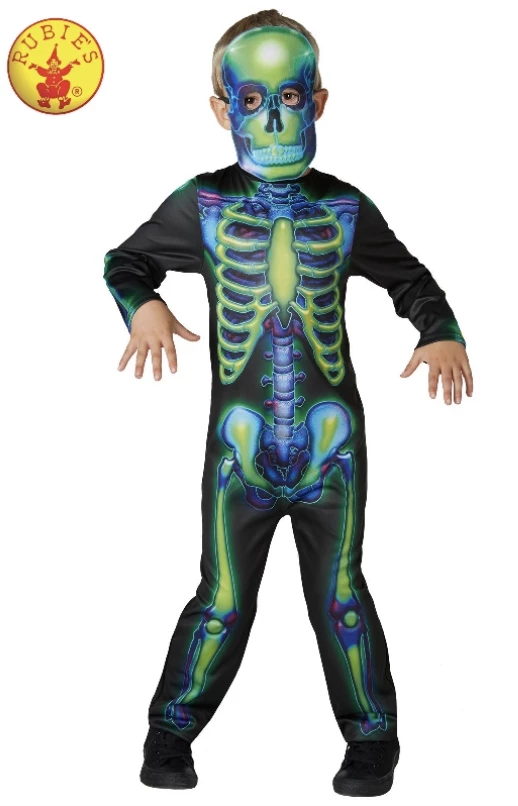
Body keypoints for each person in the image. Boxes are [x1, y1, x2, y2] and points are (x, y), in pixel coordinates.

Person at [103, 9, 473, 798]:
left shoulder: (345, 208)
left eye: (292, 98)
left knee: (341, 595)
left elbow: (412, 280)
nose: (272, 119)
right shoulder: (203, 203)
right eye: (251, 99)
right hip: (238, 448)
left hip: (331, 445)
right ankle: (170, 732)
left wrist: (440, 330)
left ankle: (373, 741)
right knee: (222, 598)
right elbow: (124, 260)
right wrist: (144, 304)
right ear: (222, 109)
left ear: (319, 101)